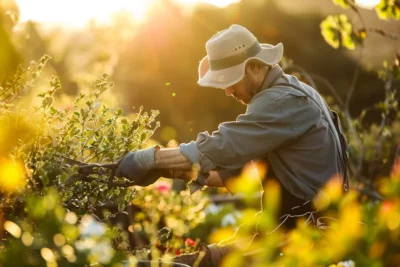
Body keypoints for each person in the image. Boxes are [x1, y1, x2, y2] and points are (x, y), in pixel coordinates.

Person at [116, 24, 348, 266]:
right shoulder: (294, 92)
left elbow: (221, 146)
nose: (228, 91)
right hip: (295, 233)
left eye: (231, 80)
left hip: (304, 242)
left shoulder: (280, 103)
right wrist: (167, 170)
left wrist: (147, 159)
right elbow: (229, 175)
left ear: (255, 67)